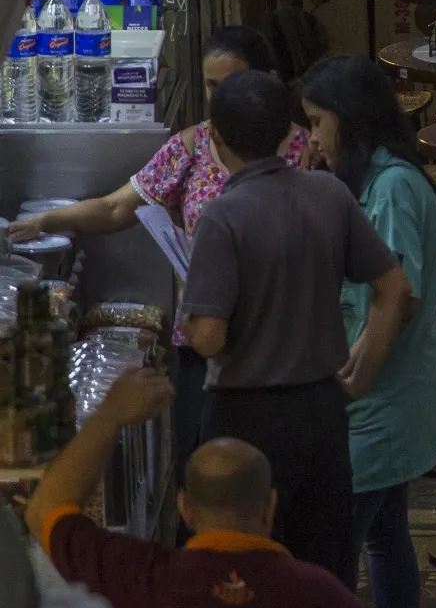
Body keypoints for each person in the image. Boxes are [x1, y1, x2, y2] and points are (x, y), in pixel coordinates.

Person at [26, 370, 405, 608]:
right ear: (269, 507)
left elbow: (45, 509)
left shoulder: (141, 580)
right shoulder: (322, 595)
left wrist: (110, 414)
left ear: (185, 509)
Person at [8, 27, 312, 480]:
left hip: (275, 346)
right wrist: (45, 222)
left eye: (231, 84)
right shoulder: (191, 146)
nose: (220, 98)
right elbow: (116, 207)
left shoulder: (304, 153)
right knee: (204, 479)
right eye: (212, 86)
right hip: (200, 344)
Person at [180, 70, 414, 577]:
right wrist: (359, 378)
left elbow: (207, 337)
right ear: (291, 133)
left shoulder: (222, 217)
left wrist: (191, 298)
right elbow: (395, 290)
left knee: (244, 576)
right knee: (324, 572)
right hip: (321, 413)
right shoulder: (328, 194)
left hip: (244, 420)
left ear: (216, 137)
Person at [299, 55, 436, 608]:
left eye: (316, 123)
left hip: (381, 401)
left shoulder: (390, 190)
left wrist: (350, 381)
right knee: (389, 538)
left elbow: (397, 298)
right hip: (392, 393)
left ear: (349, 120)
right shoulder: (374, 179)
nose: (312, 139)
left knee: (337, 552)